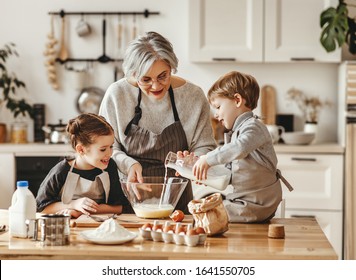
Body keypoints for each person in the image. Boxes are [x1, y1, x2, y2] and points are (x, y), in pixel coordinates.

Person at [99, 31, 216, 213]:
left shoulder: (193, 96)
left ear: (171, 67)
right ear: (133, 74)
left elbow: (205, 145)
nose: (155, 86)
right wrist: (129, 164)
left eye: (163, 76)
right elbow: (107, 148)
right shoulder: (117, 95)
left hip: (178, 200)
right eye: (145, 79)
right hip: (128, 196)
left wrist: (194, 160)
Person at [192, 71, 293, 223]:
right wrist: (201, 170)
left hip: (258, 203)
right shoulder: (236, 132)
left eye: (218, 107)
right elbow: (229, 172)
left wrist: (208, 159)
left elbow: (239, 147)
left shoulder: (254, 127)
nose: (217, 115)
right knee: (204, 203)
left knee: (208, 213)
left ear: (237, 100)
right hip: (245, 199)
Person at [36, 113, 128, 218]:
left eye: (111, 147)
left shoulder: (110, 166)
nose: (110, 153)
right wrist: (74, 204)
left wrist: (81, 211)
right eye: (103, 149)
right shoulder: (61, 171)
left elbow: (120, 207)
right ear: (81, 149)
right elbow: (41, 208)